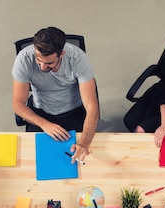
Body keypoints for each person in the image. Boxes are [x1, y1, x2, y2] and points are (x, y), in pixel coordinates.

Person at [12, 26, 100, 163]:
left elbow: (92, 107)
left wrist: (84, 142)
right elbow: (17, 104)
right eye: (38, 60)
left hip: (73, 112)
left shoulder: (78, 59)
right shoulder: (24, 59)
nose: (42, 67)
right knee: (35, 160)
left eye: (49, 63)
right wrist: (44, 124)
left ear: (62, 54)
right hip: (41, 112)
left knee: (79, 160)